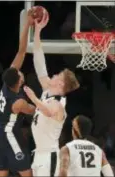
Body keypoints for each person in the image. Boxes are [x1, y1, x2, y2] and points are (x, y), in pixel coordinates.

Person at [23, 13, 80, 176]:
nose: (53, 76)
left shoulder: (59, 104)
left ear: (61, 84)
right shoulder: (48, 92)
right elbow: (39, 62)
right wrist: (38, 31)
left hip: (49, 155)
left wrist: (33, 98)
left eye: (57, 76)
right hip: (40, 153)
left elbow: (48, 111)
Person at [0, 10, 36, 177]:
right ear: (19, 81)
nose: (21, 72)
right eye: (20, 74)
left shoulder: (7, 81)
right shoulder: (18, 103)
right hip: (8, 136)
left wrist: (27, 25)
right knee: (27, 173)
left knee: (1, 172)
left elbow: (21, 51)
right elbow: (34, 110)